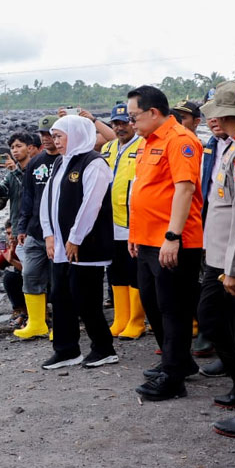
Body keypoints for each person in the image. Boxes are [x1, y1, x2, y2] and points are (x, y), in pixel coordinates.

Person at [126, 85, 204, 401]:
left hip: (171, 241)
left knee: (174, 308)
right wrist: (134, 233)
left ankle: (173, 378)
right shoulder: (147, 142)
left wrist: (172, 237)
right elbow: (141, 190)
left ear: (154, 112)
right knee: (154, 303)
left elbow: (184, 190)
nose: (131, 123)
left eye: (134, 117)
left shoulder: (180, 140)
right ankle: (177, 361)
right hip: (145, 240)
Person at [39, 115, 118, 369]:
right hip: (61, 246)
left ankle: (104, 348)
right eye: (55, 136)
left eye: (60, 136)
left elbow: (91, 205)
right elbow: (47, 201)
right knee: (60, 295)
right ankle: (66, 349)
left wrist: (75, 238)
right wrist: (48, 234)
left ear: (76, 134)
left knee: (85, 298)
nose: (55, 142)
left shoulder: (94, 163)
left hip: (86, 244)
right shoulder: (62, 163)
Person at [198, 81, 235, 437]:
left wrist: (234, 269)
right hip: (220, 256)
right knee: (217, 323)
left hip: (234, 261)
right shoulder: (233, 147)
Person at [100, 103, 146, 339]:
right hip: (111, 221)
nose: (120, 127)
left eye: (124, 122)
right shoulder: (108, 148)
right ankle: (121, 318)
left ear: (132, 122)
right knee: (115, 270)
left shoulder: (143, 146)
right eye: (115, 123)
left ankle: (136, 321)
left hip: (133, 221)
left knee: (133, 271)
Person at [13, 115, 60, 339]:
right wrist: (22, 227)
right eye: (43, 134)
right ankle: (37, 323)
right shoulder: (35, 162)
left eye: (50, 133)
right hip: (35, 231)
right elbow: (27, 197)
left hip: (60, 233)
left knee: (58, 280)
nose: (47, 138)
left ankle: (61, 325)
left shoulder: (68, 160)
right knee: (30, 274)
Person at [0, 132, 36, 236]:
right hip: (17, 228)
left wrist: (14, 170)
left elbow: (29, 189)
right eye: (12, 147)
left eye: (18, 146)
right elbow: (1, 193)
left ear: (29, 148)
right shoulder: (11, 174)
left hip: (34, 229)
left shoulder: (37, 168)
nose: (15, 150)